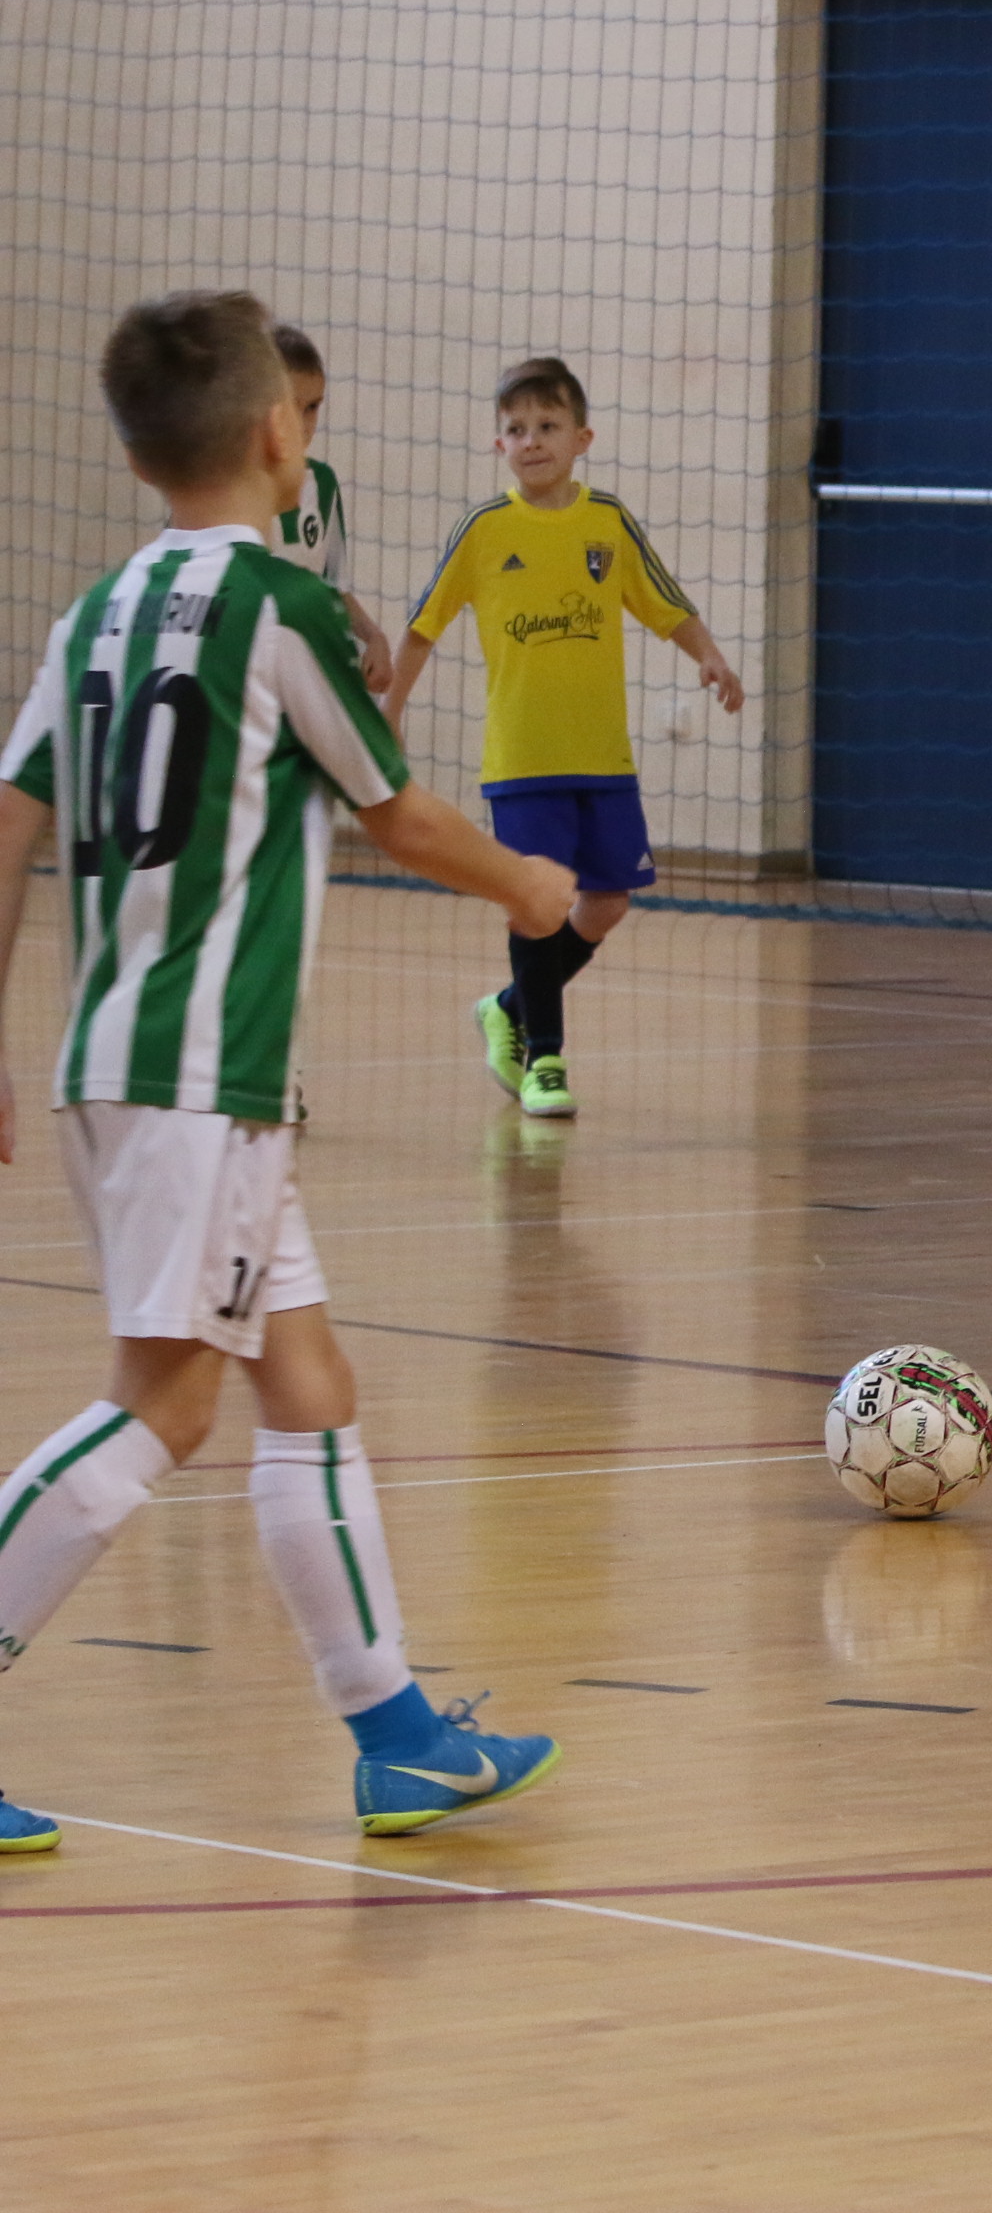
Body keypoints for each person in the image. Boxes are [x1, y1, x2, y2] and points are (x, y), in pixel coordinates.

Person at [0, 290, 581, 1851]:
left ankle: (397, 1736)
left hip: (127, 1060)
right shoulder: (278, 605)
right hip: (203, 1071)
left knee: (308, 1385)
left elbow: (9, 821)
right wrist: (527, 885)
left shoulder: (94, 613)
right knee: (162, 1407)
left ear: (139, 458)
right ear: (280, 433)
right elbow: (396, 814)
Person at [384, 357, 742, 1119]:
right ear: (499, 445)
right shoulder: (485, 530)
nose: (532, 441)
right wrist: (393, 709)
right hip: (523, 760)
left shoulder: (607, 522)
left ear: (582, 438)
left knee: (605, 904)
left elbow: (665, 601)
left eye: (547, 426)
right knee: (537, 903)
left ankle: (508, 1007)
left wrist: (708, 653)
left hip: (603, 757)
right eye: (516, 429)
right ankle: (544, 1057)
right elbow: (422, 626)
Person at [267, 323, 396, 693]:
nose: (303, 424)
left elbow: (333, 588)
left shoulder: (322, 485)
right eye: (289, 407)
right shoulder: (221, 491)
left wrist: (373, 637)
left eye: (312, 407)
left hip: (303, 676)